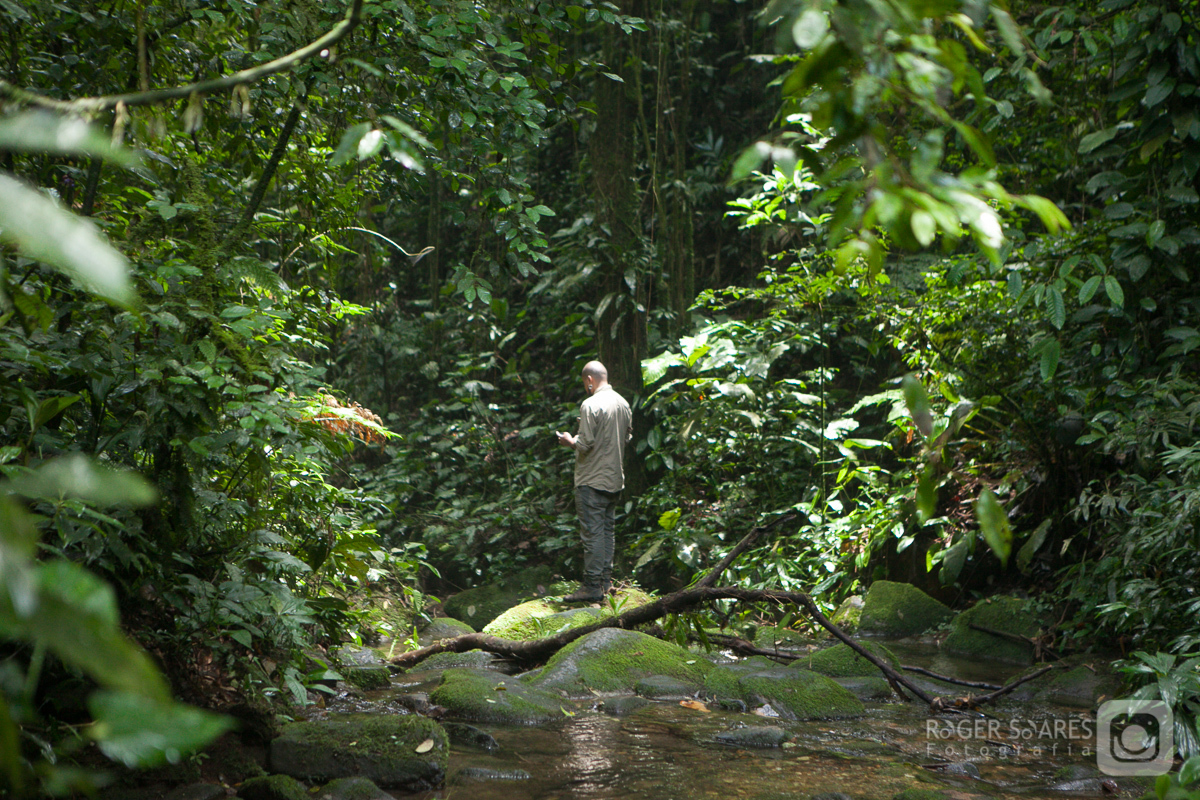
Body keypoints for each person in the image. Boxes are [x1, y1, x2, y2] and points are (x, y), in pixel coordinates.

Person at [555, 360, 632, 602]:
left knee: (592, 535)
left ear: (590, 380)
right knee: (607, 531)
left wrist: (569, 440)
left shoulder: (590, 405)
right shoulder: (623, 403)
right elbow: (626, 436)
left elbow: (585, 444)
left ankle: (591, 586)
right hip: (614, 479)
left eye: (584, 383)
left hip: (592, 480)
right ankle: (605, 581)